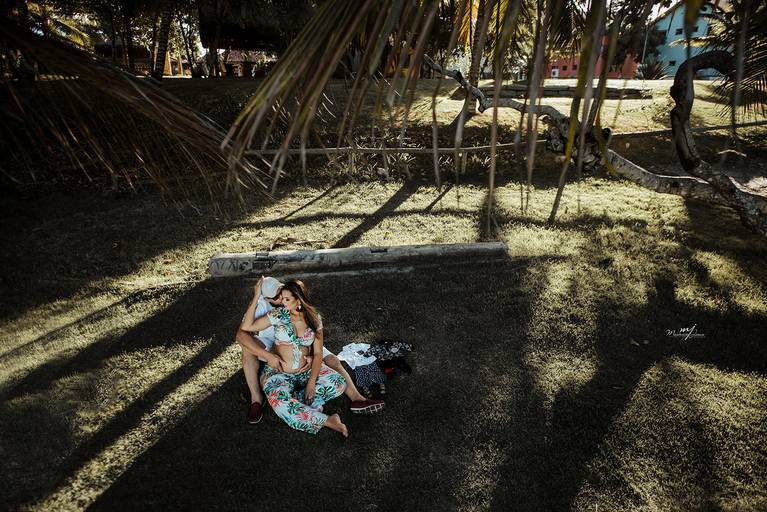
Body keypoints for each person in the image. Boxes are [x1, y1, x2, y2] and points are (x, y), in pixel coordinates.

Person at [237, 277, 383, 432]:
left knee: (338, 383)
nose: (282, 300)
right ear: (266, 298)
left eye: (285, 296)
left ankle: (297, 399)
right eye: (279, 297)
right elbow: (244, 330)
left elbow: (318, 352)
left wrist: (311, 382)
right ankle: (327, 420)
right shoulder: (276, 313)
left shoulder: (313, 317)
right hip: (279, 369)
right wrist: (256, 297)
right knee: (280, 402)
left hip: (305, 369)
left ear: (297, 298)